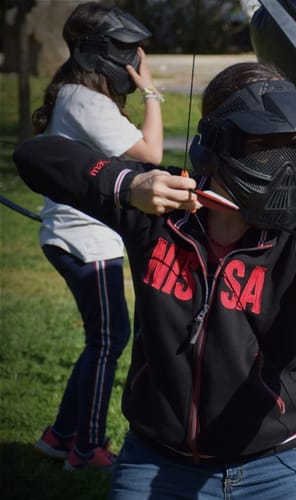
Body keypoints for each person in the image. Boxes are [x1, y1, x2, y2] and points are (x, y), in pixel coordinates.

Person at [14, 61, 296, 499]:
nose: (283, 164)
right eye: (265, 143)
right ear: (219, 143)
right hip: (160, 461)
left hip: (282, 463)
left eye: (295, 144)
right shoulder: (159, 206)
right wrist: (125, 183)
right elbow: (35, 156)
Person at [31, 2, 163, 470]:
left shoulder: (78, 95)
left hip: (81, 237)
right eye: (128, 52)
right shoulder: (83, 100)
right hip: (86, 241)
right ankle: (86, 449)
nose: (135, 60)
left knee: (103, 339)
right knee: (109, 340)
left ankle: (59, 436)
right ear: (97, 52)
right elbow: (149, 154)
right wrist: (151, 92)